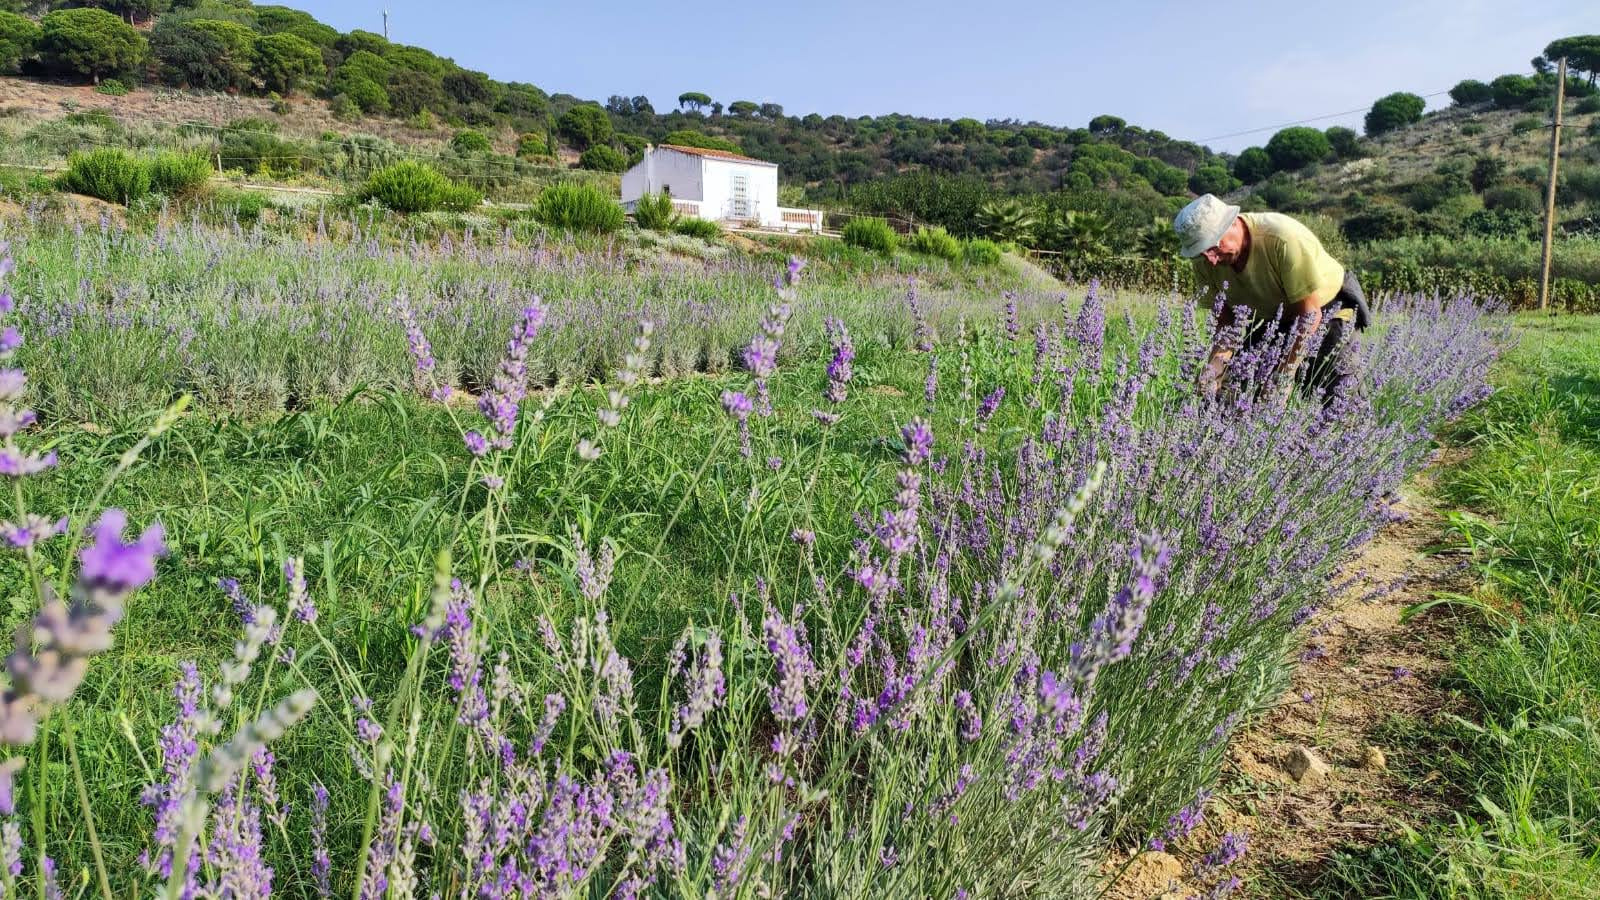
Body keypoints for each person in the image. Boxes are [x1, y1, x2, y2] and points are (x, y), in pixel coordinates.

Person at [1174, 193, 1371, 405]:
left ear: (1231, 224)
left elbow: (1310, 315)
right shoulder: (1206, 261)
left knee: (1340, 400)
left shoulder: (1281, 238)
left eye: (1213, 247)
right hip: (1276, 321)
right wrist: (1213, 370)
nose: (1210, 260)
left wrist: (1283, 377)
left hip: (1328, 307)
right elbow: (1226, 325)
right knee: (1234, 393)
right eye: (1201, 253)